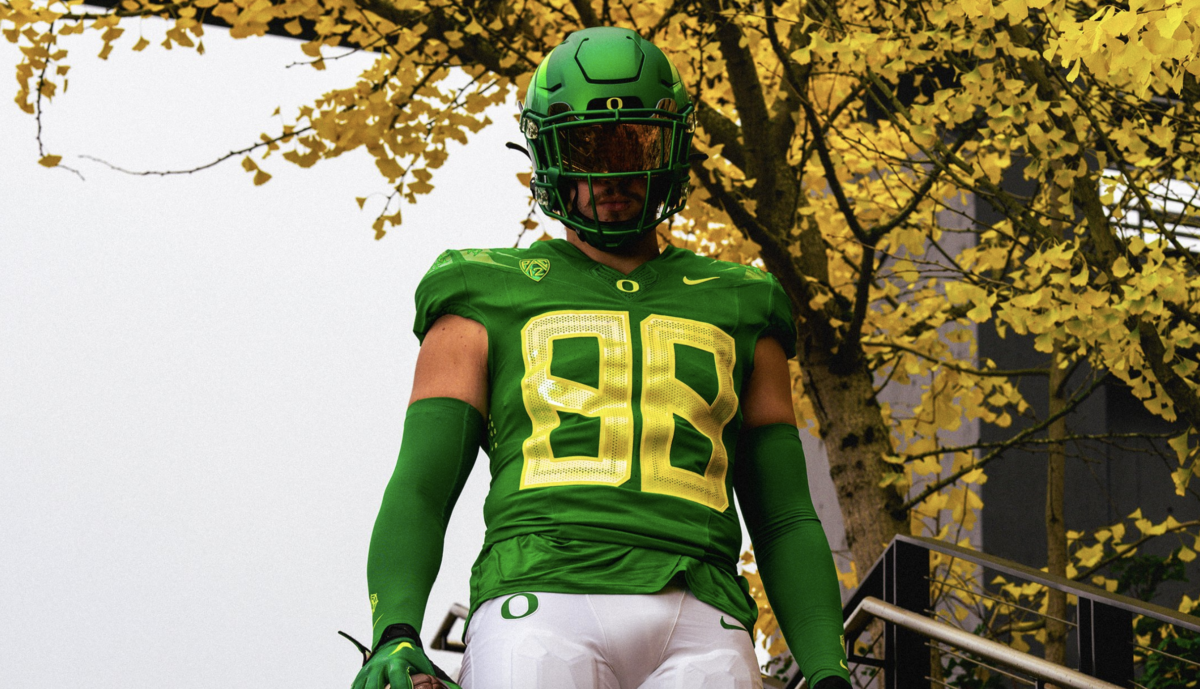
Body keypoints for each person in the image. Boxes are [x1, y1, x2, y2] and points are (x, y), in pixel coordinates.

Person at [350, 27, 852, 689]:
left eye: (635, 143)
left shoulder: (741, 299)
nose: (612, 171)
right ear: (549, 155)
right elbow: (420, 484)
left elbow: (785, 511)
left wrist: (826, 664)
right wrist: (396, 628)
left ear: (671, 148)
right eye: (587, 145)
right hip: (539, 597)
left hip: (704, 610)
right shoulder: (478, 290)